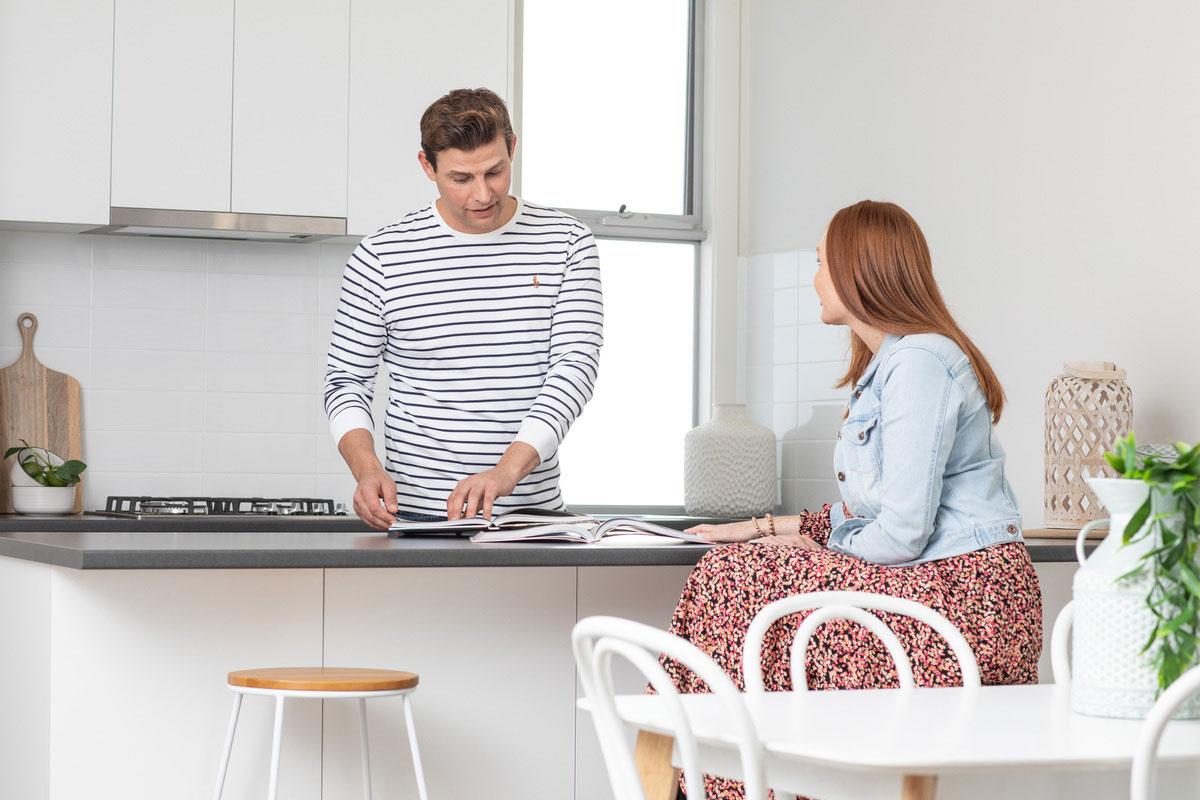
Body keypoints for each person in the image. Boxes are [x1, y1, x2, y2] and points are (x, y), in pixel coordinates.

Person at [667, 200, 1042, 799]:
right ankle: (720, 773)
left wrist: (802, 545)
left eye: (820, 262)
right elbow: (872, 513)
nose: (814, 276)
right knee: (739, 569)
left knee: (738, 580)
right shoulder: (890, 363)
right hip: (927, 587)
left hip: (965, 603)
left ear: (856, 269)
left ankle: (708, 772)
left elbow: (901, 533)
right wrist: (769, 528)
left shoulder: (919, 361)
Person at [324, 88, 603, 530]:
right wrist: (367, 469)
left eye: (495, 171)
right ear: (427, 167)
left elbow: (574, 370)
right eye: (461, 178)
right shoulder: (381, 256)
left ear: (512, 148)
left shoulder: (566, 243)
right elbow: (345, 382)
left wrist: (505, 472)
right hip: (414, 518)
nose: (482, 194)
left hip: (531, 519)